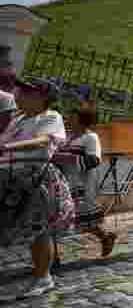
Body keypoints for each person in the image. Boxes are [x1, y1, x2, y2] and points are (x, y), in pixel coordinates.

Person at [0, 77, 75, 298]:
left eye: (25, 91)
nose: (18, 93)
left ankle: (43, 278)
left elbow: (44, 140)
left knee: (39, 230)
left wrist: (7, 147)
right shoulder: (18, 118)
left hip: (36, 179)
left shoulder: (51, 116)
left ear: (41, 98)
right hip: (10, 178)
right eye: (19, 90)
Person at [53, 101, 117, 256]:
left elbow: (94, 160)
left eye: (73, 117)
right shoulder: (66, 137)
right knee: (55, 220)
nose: (68, 119)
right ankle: (52, 257)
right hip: (63, 183)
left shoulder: (90, 137)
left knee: (84, 221)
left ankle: (105, 236)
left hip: (82, 184)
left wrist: (67, 158)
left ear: (83, 119)